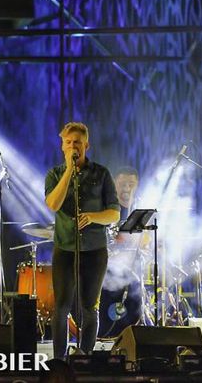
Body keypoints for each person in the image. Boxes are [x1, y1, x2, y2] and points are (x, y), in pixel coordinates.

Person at [45, 122, 120, 360]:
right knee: (61, 307)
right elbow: (53, 204)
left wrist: (92, 217)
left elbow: (115, 213)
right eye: (68, 143)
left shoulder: (102, 173)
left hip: (95, 249)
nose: (72, 146)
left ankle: (85, 356)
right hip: (65, 248)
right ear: (62, 147)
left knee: (90, 307)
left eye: (77, 142)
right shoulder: (55, 174)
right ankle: (59, 360)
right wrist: (69, 171)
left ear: (86, 145)